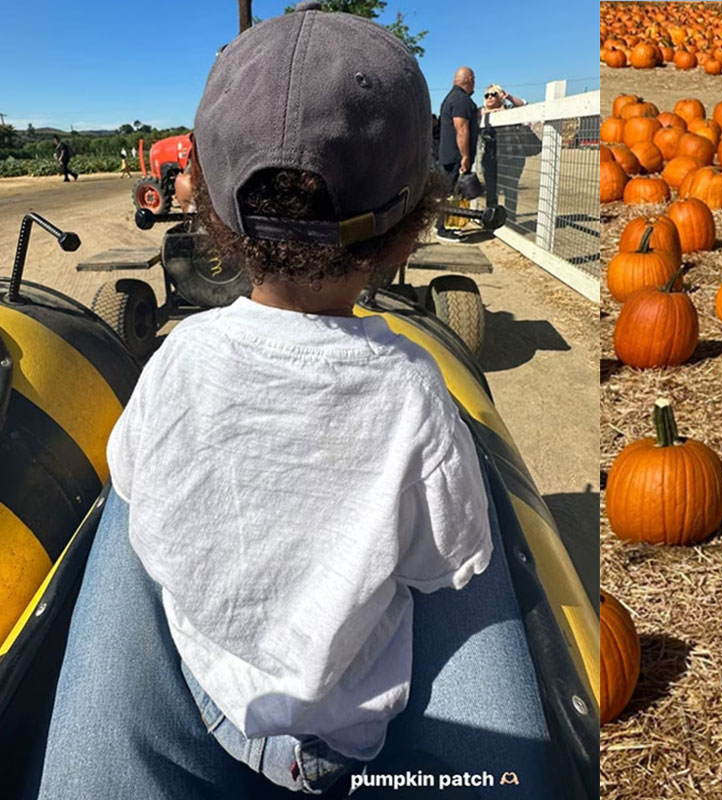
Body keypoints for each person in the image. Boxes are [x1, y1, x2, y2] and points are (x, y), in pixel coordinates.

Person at [37, 5, 557, 798]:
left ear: (207, 207)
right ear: (410, 226)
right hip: (360, 734)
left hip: (216, 702)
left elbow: (137, 489)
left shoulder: (177, 362)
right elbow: (448, 565)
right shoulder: (418, 391)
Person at [434, 66, 479, 244]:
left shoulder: (451, 98)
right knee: (449, 194)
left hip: (448, 155)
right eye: (474, 79)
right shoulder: (461, 100)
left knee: (447, 193)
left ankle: (443, 226)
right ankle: (444, 229)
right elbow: (461, 129)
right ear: (469, 78)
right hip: (454, 157)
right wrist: (465, 156)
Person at [478, 84, 535, 218]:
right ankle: (492, 219)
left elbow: (523, 105)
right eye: (487, 95)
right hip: (491, 159)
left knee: (511, 189)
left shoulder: (510, 110)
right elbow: (475, 115)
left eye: (494, 94)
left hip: (512, 157)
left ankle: (510, 219)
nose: (490, 97)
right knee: (492, 191)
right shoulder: (481, 112)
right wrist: (489, 112)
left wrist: (508, 97)